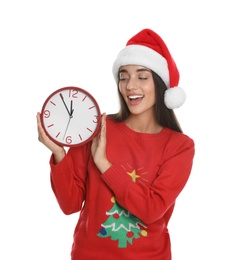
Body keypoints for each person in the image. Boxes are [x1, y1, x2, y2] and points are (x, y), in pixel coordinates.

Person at [37, 28, 195, 260]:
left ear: (160, 84)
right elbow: (69, 204)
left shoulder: (180, 146)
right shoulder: (96, 127)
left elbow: (151, 209)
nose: (130, 85)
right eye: (123, 76)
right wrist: (59, 154)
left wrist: (104, 164)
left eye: (142, 77)